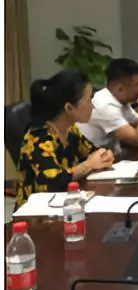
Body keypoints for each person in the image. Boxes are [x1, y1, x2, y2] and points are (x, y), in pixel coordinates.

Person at [16, 69, 115, 208]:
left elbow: (92, 152)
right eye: (88, 101)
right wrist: (88, 165)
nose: (93, 106)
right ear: (69, 108)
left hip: (68, 202)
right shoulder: (38, 138)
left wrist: (104, 156)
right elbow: (53, 182)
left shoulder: (71, 129)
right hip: (38, 211)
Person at [77, 58, 138, 152]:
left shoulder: (121, 101)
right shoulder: (105, 105)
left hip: (110, 154)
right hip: (91, 157)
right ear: (120, 88)